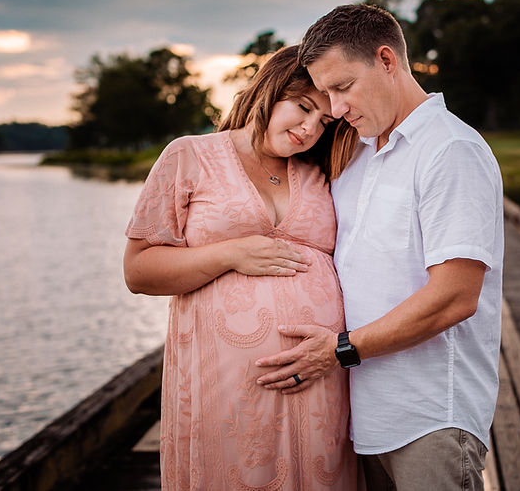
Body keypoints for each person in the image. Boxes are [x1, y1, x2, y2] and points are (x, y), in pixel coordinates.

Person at [255, 4, 504, 490]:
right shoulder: (360, 152)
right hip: (364, 418)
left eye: (343, 87)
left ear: (387, 60)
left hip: (431, 417)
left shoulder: (450, 149)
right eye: (326, 93)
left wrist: (341, 350)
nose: (338, 108)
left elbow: (456, 295)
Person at [123, 45, 360, 491]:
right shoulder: (190, 156)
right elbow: (138, 271)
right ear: (270, 89)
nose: (309, 128)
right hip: (227, 389)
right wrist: (230, 254)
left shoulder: (319, 171)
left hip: (320, 377)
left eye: (324, 121)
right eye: (303, 107)